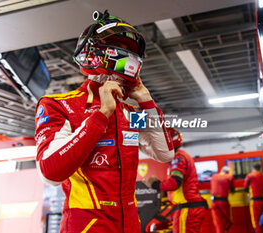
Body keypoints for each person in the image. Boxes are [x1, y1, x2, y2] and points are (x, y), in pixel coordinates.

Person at [35, 10, 174, 233]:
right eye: (120, 47)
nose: (127, 55)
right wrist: (102, 114)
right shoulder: (58, 104)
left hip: (130, 222)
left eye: (131, 51)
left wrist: (147, 102)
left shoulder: (130, 112)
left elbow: (165, 153)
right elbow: (49, 172)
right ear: (93, 52)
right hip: (87, 224)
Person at [146, 128, 207, 233]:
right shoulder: (181, 156)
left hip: (186, 208)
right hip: (189, 207)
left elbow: (174, 183)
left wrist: (155, 184)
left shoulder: (178, 157)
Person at [244, 162, 263, 233]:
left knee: (256, 220)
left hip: (255, 202)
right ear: (260, 168)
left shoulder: (249, 176)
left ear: (252, 168)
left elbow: (245, 188)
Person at [210, 166, 235, 233]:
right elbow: (232, 190)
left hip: (213, 202)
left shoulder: (214, 176)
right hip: (223, 202)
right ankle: (225, 230)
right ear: (227, 172)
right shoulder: (229, 177)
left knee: (218, 222)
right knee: (228, 220)